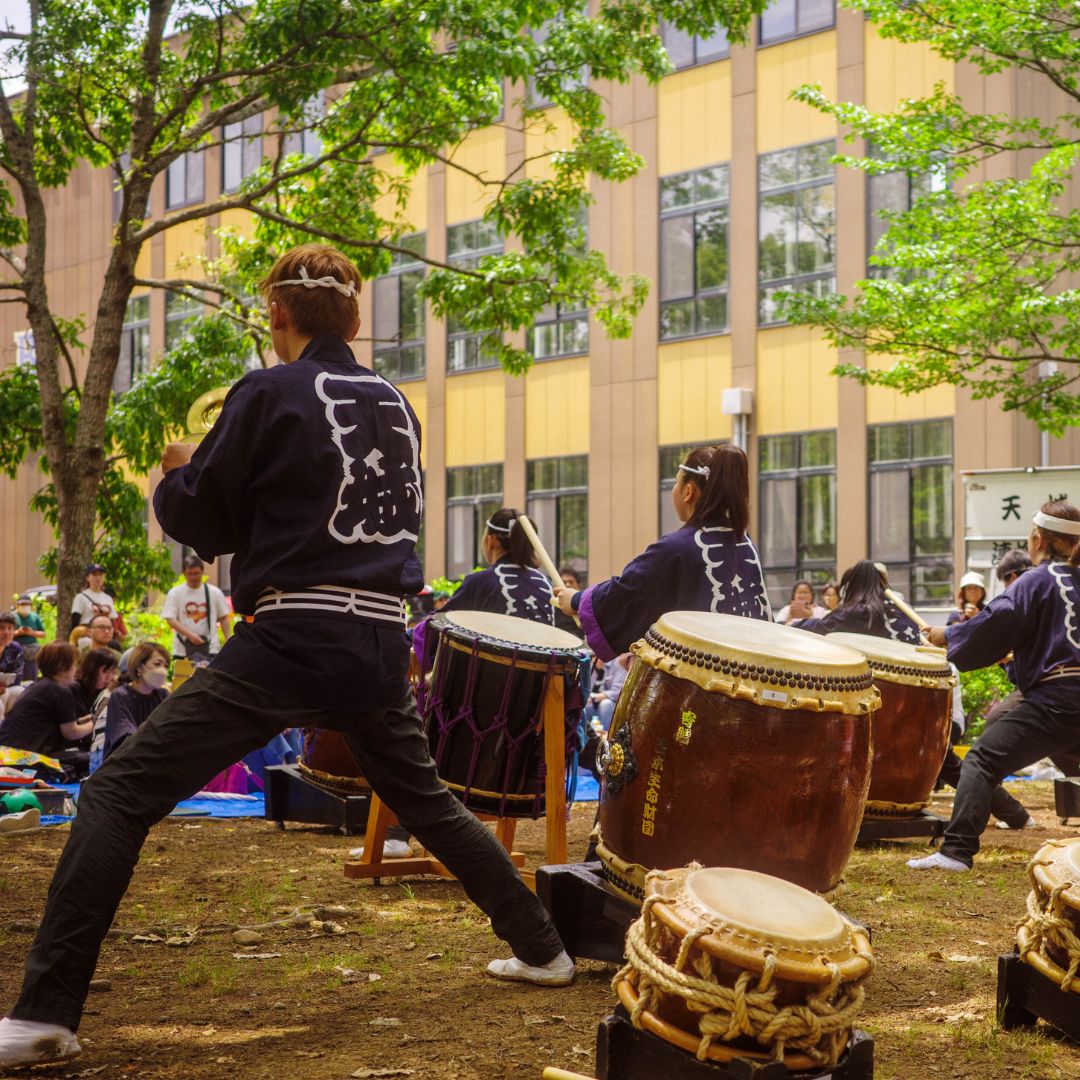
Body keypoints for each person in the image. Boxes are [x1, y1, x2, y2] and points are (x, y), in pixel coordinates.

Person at [0, 243, 570, 1069]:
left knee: (118, 793)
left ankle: (45, 1013)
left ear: (277, 313)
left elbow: (208, 524)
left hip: (294, 636)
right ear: (355, 316)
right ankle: (544, 947)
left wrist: (174, 476)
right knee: (431, 805)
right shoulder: (398, 406)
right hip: (379, 639)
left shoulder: (266, 390)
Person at [909, 502, 1080, 872]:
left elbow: (996, 621)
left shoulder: (1037, 580)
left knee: (982, 760)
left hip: (1055, 701)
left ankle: (955, 852)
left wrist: (947, 634)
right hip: (1065, 698)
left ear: (1037, 539)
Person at [554, 445, 772, 659]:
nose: (673, 490)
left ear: (688, 492)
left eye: (676, 483)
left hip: (704, 682)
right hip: (754, 678)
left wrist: (577, 601)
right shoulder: (743, 542)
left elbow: (629, 592)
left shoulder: (676, 547)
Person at [0, 642, 92, 779]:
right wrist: (95, 722)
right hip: (26, 758)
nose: (76, 669)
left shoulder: (38, 685)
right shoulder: (59, 690)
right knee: (89, 759)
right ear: (62, 667)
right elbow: (71, 733)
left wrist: (87, 719)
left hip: (8, 754)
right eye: (74, 664)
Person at [787, 560, 922, 644]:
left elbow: (820, 626)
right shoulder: (905, 608)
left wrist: (788, 625)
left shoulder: (857, 612)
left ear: (851, 587)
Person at [101, 643, 170, 761]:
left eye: (166, 666)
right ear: (139, 667)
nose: (163, 670)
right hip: (124, 763)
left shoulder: (163, 695)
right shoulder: (120, 695)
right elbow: (125, 737)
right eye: (157, 664)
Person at [162, 555, 232, 662]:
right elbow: (170, 619)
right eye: (190, 574)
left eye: (196, 573)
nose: (193, 577)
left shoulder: (214, 592)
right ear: (184, 573)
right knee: (183, 678)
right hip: (182, 649)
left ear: (202, 572)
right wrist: (190, 636)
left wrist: (228, 641)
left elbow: (223, 617)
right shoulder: (175, 593)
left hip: (210, 648)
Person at [76, 649, 120, 775]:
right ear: (91, 669)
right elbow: (73, 731)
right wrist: (99, 720)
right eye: (105, 671)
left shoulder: (101, 692)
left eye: (113, 672)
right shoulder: (73, 689)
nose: (110, 677)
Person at [69, 564, 116, 636]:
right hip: (86, 633)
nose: (98, 578)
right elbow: (75, 620)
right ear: (87, 578)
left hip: (105, 633)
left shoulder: (108, 598)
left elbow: (112, 621)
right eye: (94, 575)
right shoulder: (80, 597)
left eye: (100, 575)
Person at [13, 595, 45, 682]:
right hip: (16, 650)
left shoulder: (35, 617)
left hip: (32, 651)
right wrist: (18, 632)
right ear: (17, 605)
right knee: (17, 674)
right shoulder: (12, 617)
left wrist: (31, 632)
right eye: (22, 604)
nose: (25, 606)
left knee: (31, 676)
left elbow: (43, 634)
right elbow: (5, 634)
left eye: (27, 604)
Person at [0, 613, 25, 717]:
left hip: (6, 688)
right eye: (1, 628)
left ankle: (9, 726)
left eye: (10, 628)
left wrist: (3, 686)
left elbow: (18, 675)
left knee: (20, 692)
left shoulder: (16, 649)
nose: (6, 632)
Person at [555, 567, 583, 635]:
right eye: (564, 583)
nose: (567, 585)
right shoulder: (553, 604)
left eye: (571, 582)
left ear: (578, 585)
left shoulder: (585, 603)